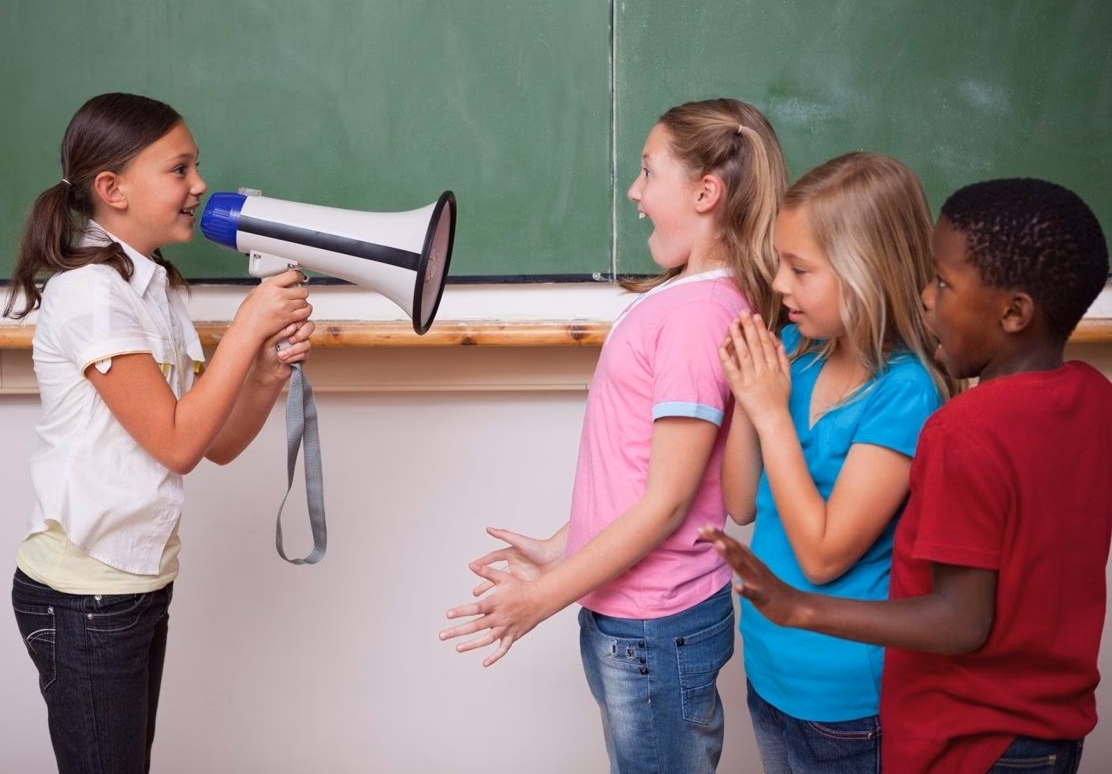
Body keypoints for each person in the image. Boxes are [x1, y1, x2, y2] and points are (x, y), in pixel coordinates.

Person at [702, 177, 1111, 774]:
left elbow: (958, 618)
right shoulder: (1093, 397)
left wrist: (801, 608)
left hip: (951, 729)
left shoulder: (950, 423)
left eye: (942, 282)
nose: (926, 296)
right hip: (1035, 723)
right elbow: (742, 502)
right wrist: (752, 391)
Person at [439, 98, 789, 772]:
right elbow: (637, 473)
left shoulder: (697, 316)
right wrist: (562, 546)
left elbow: (667, 504)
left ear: (705, 193)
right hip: (635, 622)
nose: (634, 191)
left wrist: (540, 600)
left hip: (653, 627)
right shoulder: (687, 300)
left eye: (649, 172)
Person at [4, 92, 314, 773]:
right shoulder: (89, 293)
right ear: (111, 189)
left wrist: (265, 373)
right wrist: (246, 329)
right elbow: (174, 442)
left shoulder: (155, 288)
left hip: (137, 583)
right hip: (85, 594)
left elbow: (214, 444)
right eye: (179, 169)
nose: (199, 185)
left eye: (195, 166)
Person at [716, 152, 952, 773]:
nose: (778, 285)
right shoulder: (798, 351)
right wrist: (748, 396)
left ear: (865, 272)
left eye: (799, 269)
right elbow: (739, 503)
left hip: (846, 701)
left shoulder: (906, 392)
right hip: (770, 671)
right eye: (780, 264)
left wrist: (771, 414)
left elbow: (824, 557)